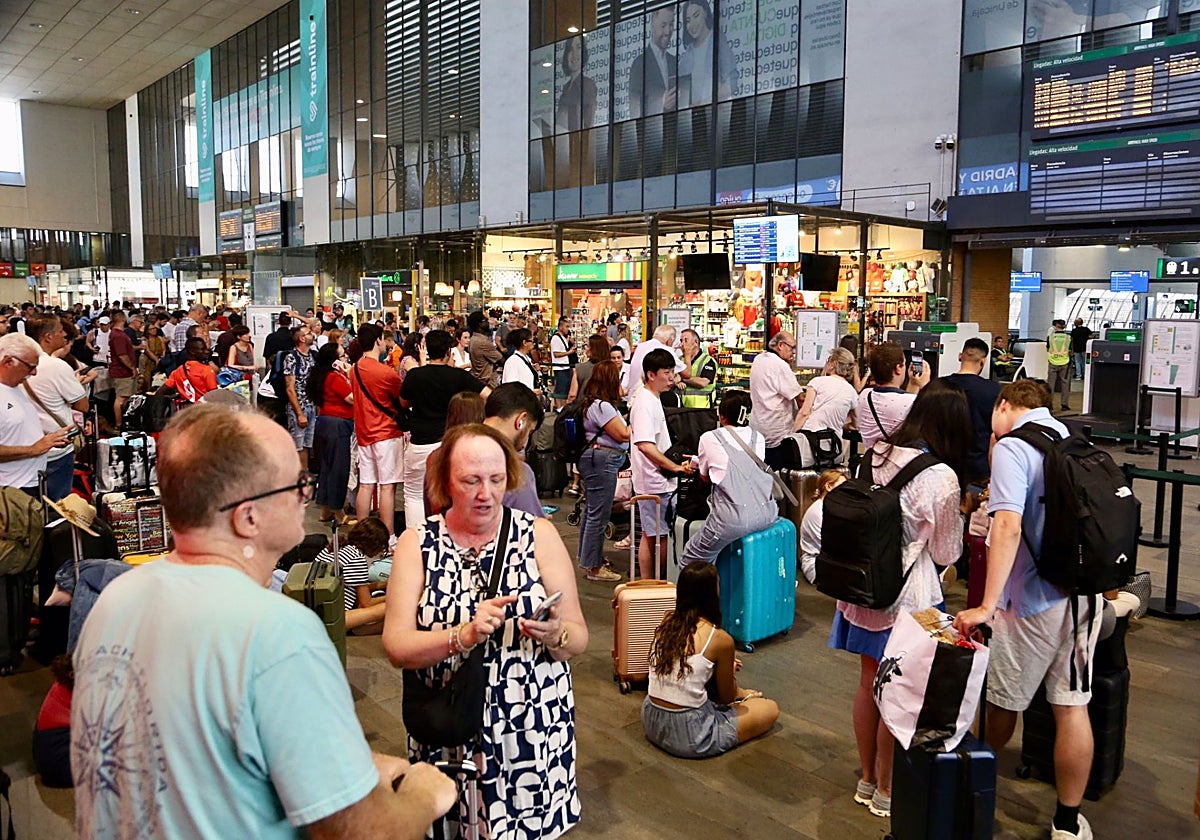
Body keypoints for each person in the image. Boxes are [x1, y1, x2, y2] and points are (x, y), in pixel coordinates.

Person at [71, 404, 456, 838]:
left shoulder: (115, 600)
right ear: (248, 515)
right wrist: (425, 793)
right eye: (295, 486)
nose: (305, 496)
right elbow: (364, 831)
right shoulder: (278, 632)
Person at [382, 424, 587, 840]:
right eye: (470, 481)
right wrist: (463, 634)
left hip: (531, 733)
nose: (485, 494)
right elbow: (396, 646)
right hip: (450, 728)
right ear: (444, 481)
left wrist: (554, 635)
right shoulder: (417, 545)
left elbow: (579, 637)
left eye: (496, 480)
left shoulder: (538, 535)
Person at [954, 379, 1100, 840]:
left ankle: (968, 790)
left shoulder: (1016, 448)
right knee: (1072, 708)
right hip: (1083, 593)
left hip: (1033, 601)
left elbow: (1008, 527)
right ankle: (1067, 822)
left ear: (1005, 405)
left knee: (1002, 702)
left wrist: (986, 605)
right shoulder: (1073, 438)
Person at [825, 380, 969, 819]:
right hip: (908, 597)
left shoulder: (877, 453)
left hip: (862, 588)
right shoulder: (940, 476)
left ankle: (866, 778)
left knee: (869, 683)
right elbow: (946, 553)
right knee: (899, 693)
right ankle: (888, 789)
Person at [643, 563, 778, 758]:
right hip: (691, 732)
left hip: (651, 719)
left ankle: (738, 700)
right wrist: (733, 678)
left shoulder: (667, 621)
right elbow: (726, 696)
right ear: (712, 592)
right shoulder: (719, 639)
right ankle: (743, 700)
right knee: (769, 708)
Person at [400, 329, 488, 527]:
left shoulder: (415, 376)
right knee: (448, 495)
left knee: (413, 494)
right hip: (449, 444)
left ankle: (416, 542)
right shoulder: (459, 376)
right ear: (449, 351)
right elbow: (488, 395)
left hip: (419, 442)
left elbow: (403, 402)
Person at [680, 390, 777, 566]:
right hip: (766, 514)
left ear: (722, 415)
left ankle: (700, 593)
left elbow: (706, 478)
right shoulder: (758, 438)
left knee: (692, 559)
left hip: (732, 519)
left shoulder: (710, 437)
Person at [631, 349, 697, 580]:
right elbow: (645, 445)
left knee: (654, 535)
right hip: (653, 482)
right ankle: (654, 582)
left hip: (660, 480)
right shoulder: (644, 403)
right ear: (651, 374)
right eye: (667, 373)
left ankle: (653, 581)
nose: (672, 378)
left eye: (672, 372)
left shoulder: (653, 399)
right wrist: (675, 467)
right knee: (656, 536)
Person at [575, 360, 628, 582]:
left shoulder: (592, 405)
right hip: (603, 460)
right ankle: (594, 566)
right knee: (599, 514)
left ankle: (589, 558)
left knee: (592, 512)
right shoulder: (602, 406)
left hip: (597, 459)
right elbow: (622, 434)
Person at [26, 315, 88, 501]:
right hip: (57, 448)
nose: (64, 335)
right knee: (59, 507)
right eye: (60, 331)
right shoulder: (56, 366)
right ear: (48, 336)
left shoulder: (17, 362)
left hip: (26, 448)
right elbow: (82, 405)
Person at [0, 333, 70, 495]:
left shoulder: (15, 386)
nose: (35, 373)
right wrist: (32, 449)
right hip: (11, 490)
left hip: (29, 482)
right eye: (31, 366)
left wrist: (51, 438)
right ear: (8, 362)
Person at [351, 323, 404, 534]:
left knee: (366, 484)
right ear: (377, 341)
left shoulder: (354, 369)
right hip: (386, 432)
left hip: (363, 431)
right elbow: (402, 400)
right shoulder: (386, 373)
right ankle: (388, 535)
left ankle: (361, 535)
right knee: (387, 486)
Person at [479, 383, 547, 520]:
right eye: (530, 431)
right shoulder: (516, 472)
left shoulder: (442, 456)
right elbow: (529, 527)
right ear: (521, 420)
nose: (524, 444)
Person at [942, 337, 1002, 483]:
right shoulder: (993, 390)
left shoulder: (940, 386)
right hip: (978, 467)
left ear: (960, 356)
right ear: (983, 361)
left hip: (943, 465)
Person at [315, 517, 390, 634]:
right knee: (386, 608)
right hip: (334, 617)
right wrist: (392, 596)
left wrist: (384, 584)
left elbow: (353, 585)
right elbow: (366, 603)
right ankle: (357, 630)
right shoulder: (356, 559)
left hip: (317, 610)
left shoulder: (335, 547)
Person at [309, 342, 355, 525]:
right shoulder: (334, 377)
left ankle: (325, 510)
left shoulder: (321, 375)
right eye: (343, 356)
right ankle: (338, 511)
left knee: (327, 468)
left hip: (325, 422)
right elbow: (350, 398)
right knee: (339, 469)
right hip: (338, 424)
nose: (346, 359)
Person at [856, 342, 927, 450]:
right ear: (898, 368)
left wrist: (913, 384)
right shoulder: (910, 402)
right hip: (897, 465)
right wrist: (924, 385)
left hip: (869, 463)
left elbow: (903, 403)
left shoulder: (864, 395)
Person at [749, 331, 802, 469]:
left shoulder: (759, 359)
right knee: (777, 476)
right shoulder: (780, 365)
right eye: (792, 348)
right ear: (780, 345)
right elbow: (798, 396)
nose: (793, 352)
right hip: (777, 431)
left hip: (759, 427)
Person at [795, 347, 858, 444]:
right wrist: (845, 426)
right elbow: (856, 424)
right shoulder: (851, 392)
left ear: (833, 364)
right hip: (833, 443)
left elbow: (804, 412)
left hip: (810, 438)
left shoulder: (817, 382)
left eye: (828, 360)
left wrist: (792, 435)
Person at [677, 0, 733, 106]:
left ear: (706, 12)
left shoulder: (718, 41)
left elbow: (731, 83)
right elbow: (681, 95)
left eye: (696, 15)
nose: (692, 24)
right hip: (695, 117)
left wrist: (706, 102)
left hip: (715, 112)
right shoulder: (686, 57)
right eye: (688, 20)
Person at [798, 469, 848, 585]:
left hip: (831, 560)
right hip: (816, 564)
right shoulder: (817, 512)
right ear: (829, 487)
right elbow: (830, 546)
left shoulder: (835, 509)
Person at [629, 6, 677, 118]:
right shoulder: (639, 64)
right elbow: (634, 108)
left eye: (671, 25)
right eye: (663, 25)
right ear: (652, 25)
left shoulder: (673, 62)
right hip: (651, 131)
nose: (668, 31)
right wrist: (661, 104)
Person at [282, 324, 317, 470]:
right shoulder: (291, 358)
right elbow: (290, 388)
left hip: (312, 405)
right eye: (309, 333)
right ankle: (299, 474)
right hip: (299, 406)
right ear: (302, 338)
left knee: (307, 444)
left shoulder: (313, 355)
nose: (313, 334)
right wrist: (299, 413)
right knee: (298, 444)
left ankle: (305, 472)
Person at [624, 323, 683, 399]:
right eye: (667, 372)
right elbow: (686, 373)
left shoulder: (641, 346)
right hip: (647, 396)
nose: (671, 377)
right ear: (668, 341)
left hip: (633, 395)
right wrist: (687, 352)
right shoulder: (665, 349)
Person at [555, 33, 596, 132]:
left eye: (578, 48)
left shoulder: (587, 85)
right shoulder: (566, 88)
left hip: (576, 141)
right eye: (570, 49)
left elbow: (588, 123)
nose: (574, 54)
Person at [158, 336, 219, 403]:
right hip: (203, 410)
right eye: (202, 349)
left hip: (185, 410)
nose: (206, 351)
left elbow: (160, 392)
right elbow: (214, 396)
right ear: (192, 351)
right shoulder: (207, 370)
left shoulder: (178, 371)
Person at [677, 328, 717, 409]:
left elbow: (703, 382)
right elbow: (671, 380)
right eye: (681, 341)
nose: (682, 344)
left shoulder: (708, 361)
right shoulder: (679, 360)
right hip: (680, 409)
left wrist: (681, 378)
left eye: (685, 340)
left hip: (701, 410)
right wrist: (676, 382)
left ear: (696, 342)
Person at [566, 334, 610, 402]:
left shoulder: (580, 368)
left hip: (583, 407)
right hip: (606, 408)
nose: (586, 348)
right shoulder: (610, 369)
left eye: (588, 346)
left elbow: (572, 395)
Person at [468, 310, 503, 389]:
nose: (488, 322)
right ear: (479, 324)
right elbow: (501, 359)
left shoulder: (473, 338)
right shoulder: (483, 342)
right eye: (485, 320)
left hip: (478, 380)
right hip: (487, 382)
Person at [501, 328, 540, 392]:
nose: (534, 343)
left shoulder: (526, 359)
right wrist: (532, 392)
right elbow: (511, 386)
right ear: (524, 342)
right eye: (532, 341)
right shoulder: (513, 361)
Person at [549, 316, 576, 408]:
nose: (568, 329)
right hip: (560, 367)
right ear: (560, 327)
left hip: (565, 366)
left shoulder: (563, 338)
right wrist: (569, 352)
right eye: (566, 326)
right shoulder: (556, 338)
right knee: (560, 389)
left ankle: (563, 407)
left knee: (565, 389)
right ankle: (559, 407)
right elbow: (556, 353)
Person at [1046, 319, 1072, 413]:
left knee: (1050, 385)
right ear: (1064, 326)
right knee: (1065, 384)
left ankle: (1049, 405)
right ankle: (1064, 405)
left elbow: (1048, 348)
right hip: (1065, 362)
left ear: (1055, 326)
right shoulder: (1068, 337)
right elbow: (1070, 350)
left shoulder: (1050, 337)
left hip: (1053, 362)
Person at [140, 323, 167, 390]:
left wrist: (161, 359)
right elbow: (147, 351)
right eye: (151, 329)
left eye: (155, 328)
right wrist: (156, 359)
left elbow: (163, 350)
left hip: (159, 359)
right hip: (148, 360)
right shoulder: (145, 339)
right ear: (147, 331)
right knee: (146, 377)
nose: (154, 330)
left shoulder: (160, 338)